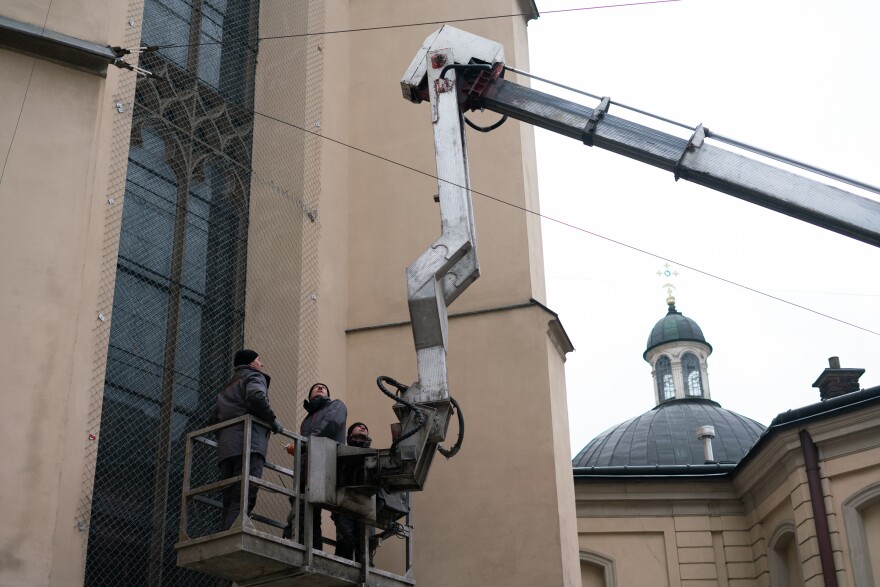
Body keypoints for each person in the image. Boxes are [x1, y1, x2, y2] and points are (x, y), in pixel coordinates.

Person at [211, 349, 284, 531]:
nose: (262, 364)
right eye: (259, 360)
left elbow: (213, 418)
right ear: (251, 363)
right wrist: (272, 420)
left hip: (226, 450)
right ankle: (234, 534)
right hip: (249, 444)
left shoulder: (227, 386)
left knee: (229, 499)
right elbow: (256, 397)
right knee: (245, 494)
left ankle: (225, 534)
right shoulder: (254, 377)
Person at [282, 382, 347, 548]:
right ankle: (308, 550)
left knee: (311, 512)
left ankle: (310, 551)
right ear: (310, 396)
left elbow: (329, 427)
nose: (320, 388)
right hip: (307, 471)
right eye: (316, 387)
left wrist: (301, 444)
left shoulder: (336, 405)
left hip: (326, 466)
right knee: (306, 515)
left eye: (324, 387)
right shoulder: (307, 419)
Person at [333, 422, 372, 562]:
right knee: (345, 541)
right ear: (349, 435)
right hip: (345, 503)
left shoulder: (373, 456)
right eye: (358, 426)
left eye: (365, 426)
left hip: (366, 504)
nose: (363, 427)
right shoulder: (342, 453)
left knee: (366, 543)